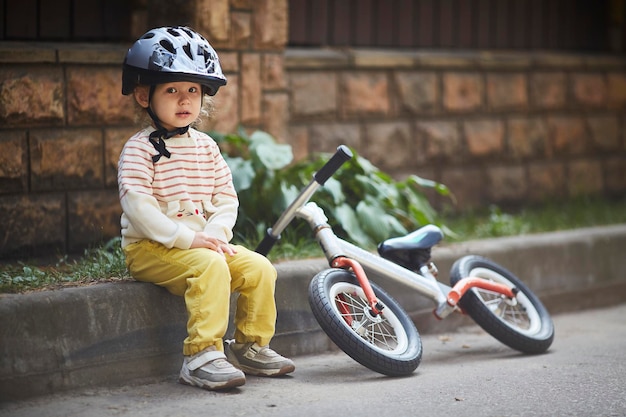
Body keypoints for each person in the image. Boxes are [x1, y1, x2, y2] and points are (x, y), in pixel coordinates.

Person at [117, 26, 294, 391]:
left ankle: (250, 346)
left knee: (259, 267)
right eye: (172, 90)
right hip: (150, 249)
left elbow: (226, 198)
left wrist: (212, 235)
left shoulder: (206, 147)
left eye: (192, 91)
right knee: (211, 265)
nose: (184, 100)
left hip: (200, 245)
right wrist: (187, 239)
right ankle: (201, 355)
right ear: (142, 95)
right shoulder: (138, 149)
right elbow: (138, 207)